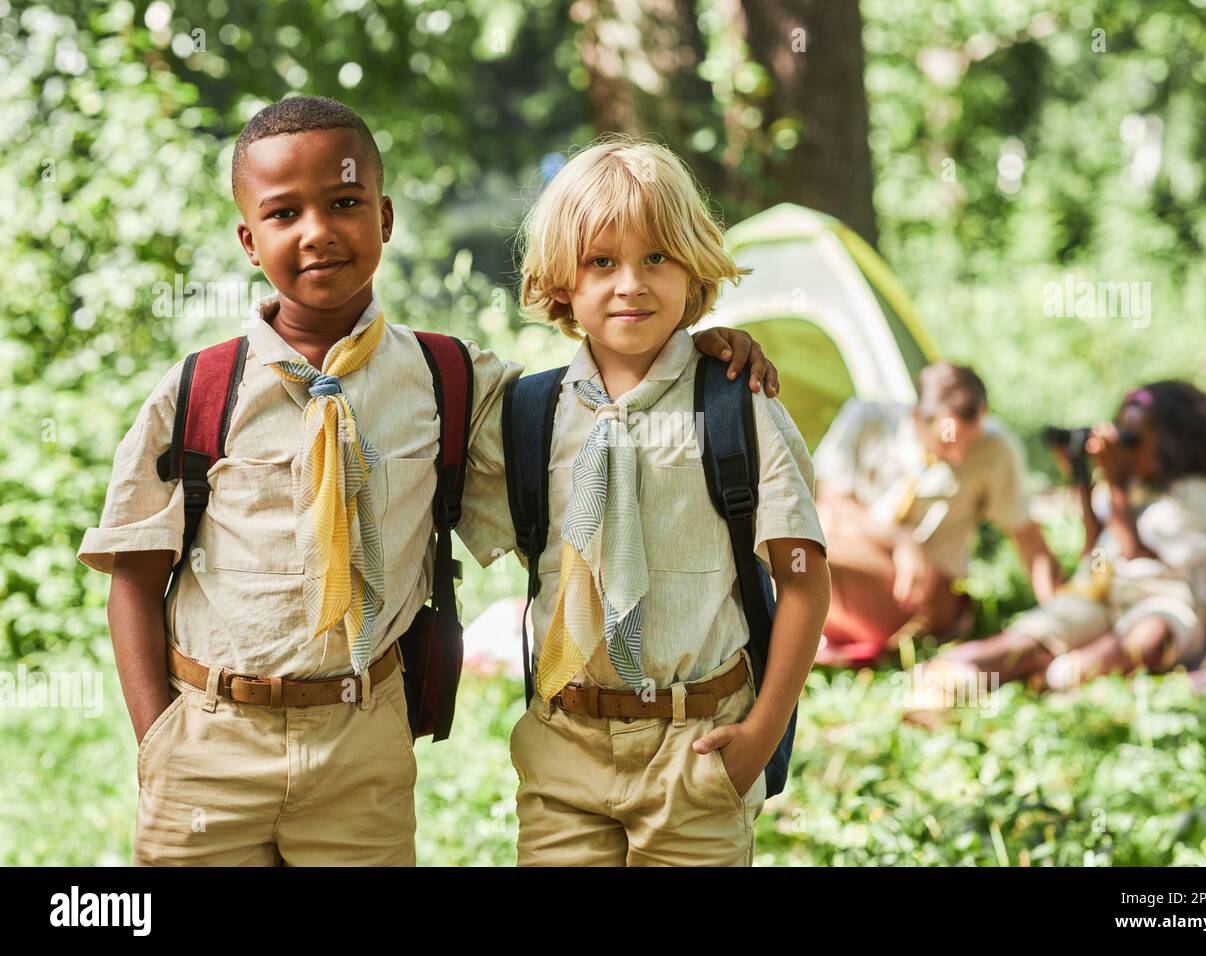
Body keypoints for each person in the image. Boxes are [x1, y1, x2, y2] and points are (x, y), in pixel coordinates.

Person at [77, 98, 778, 866]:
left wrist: (698, 349)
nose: (318, 231)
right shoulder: (198, 392)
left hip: (363, 743)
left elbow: (598, 402)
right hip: (208, 745)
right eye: (284, 213)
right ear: (249, 239)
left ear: (384, 217)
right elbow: (136, 579)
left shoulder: (451, 380)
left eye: (344, 203)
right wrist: (160, 743)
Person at [456, 136, 831, 866]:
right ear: (562, 280)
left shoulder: (737, 404)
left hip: (701, 743)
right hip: (564, 747)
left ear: (694, 268)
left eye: (656, 257)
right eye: (602, 261)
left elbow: (805, 583)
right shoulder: (528, 415)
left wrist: (758, 738)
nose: (630, 283)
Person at [925, 380, 1206, 691]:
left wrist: (1116, 485)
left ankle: (1062, 671)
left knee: (1151, 635)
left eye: (1133, 440)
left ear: (1173, 443)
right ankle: (959, 669)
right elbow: (1095, 550)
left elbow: (1140, 560)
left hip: (1163, 601)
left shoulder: (1193, 495)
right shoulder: (1130, 486)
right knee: (1046, 629)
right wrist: (1083, 480)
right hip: (1104, 599)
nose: (1126, 450)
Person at [813, 363, 1058, 667]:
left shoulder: (994, 448)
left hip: (923, 590)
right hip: (855, 553)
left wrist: (1059, 615)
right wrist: (901, 541)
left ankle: (802, 630)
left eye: (968, 441)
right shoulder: (866, 419)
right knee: (793, 547)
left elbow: (1027, 537)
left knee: (811, 563)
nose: (957, 456)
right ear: (916, 418)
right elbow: (829, 499)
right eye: (946, 443)